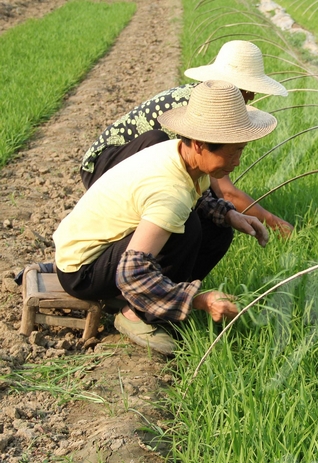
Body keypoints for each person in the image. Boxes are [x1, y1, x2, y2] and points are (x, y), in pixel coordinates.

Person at [54, 81, 277, 355]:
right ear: (199, 145)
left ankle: (157, 300)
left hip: (101, 251)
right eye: (233, 152)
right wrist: (197, 299)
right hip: (82, 270)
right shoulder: (169, 193)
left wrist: (230, 215)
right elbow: (131, 273)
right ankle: (135, 314)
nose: (238, 161)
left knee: (217, 230)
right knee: (188, 228)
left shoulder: (179, 155)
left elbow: (201, 197)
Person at [79, 40, 293, 236]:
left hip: (125, 165)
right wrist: (276, 224)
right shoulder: (204, 108)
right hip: (104, 167)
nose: (252, 96)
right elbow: (226, 192)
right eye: (247, 89)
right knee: (165, 148)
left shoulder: (204, 98)